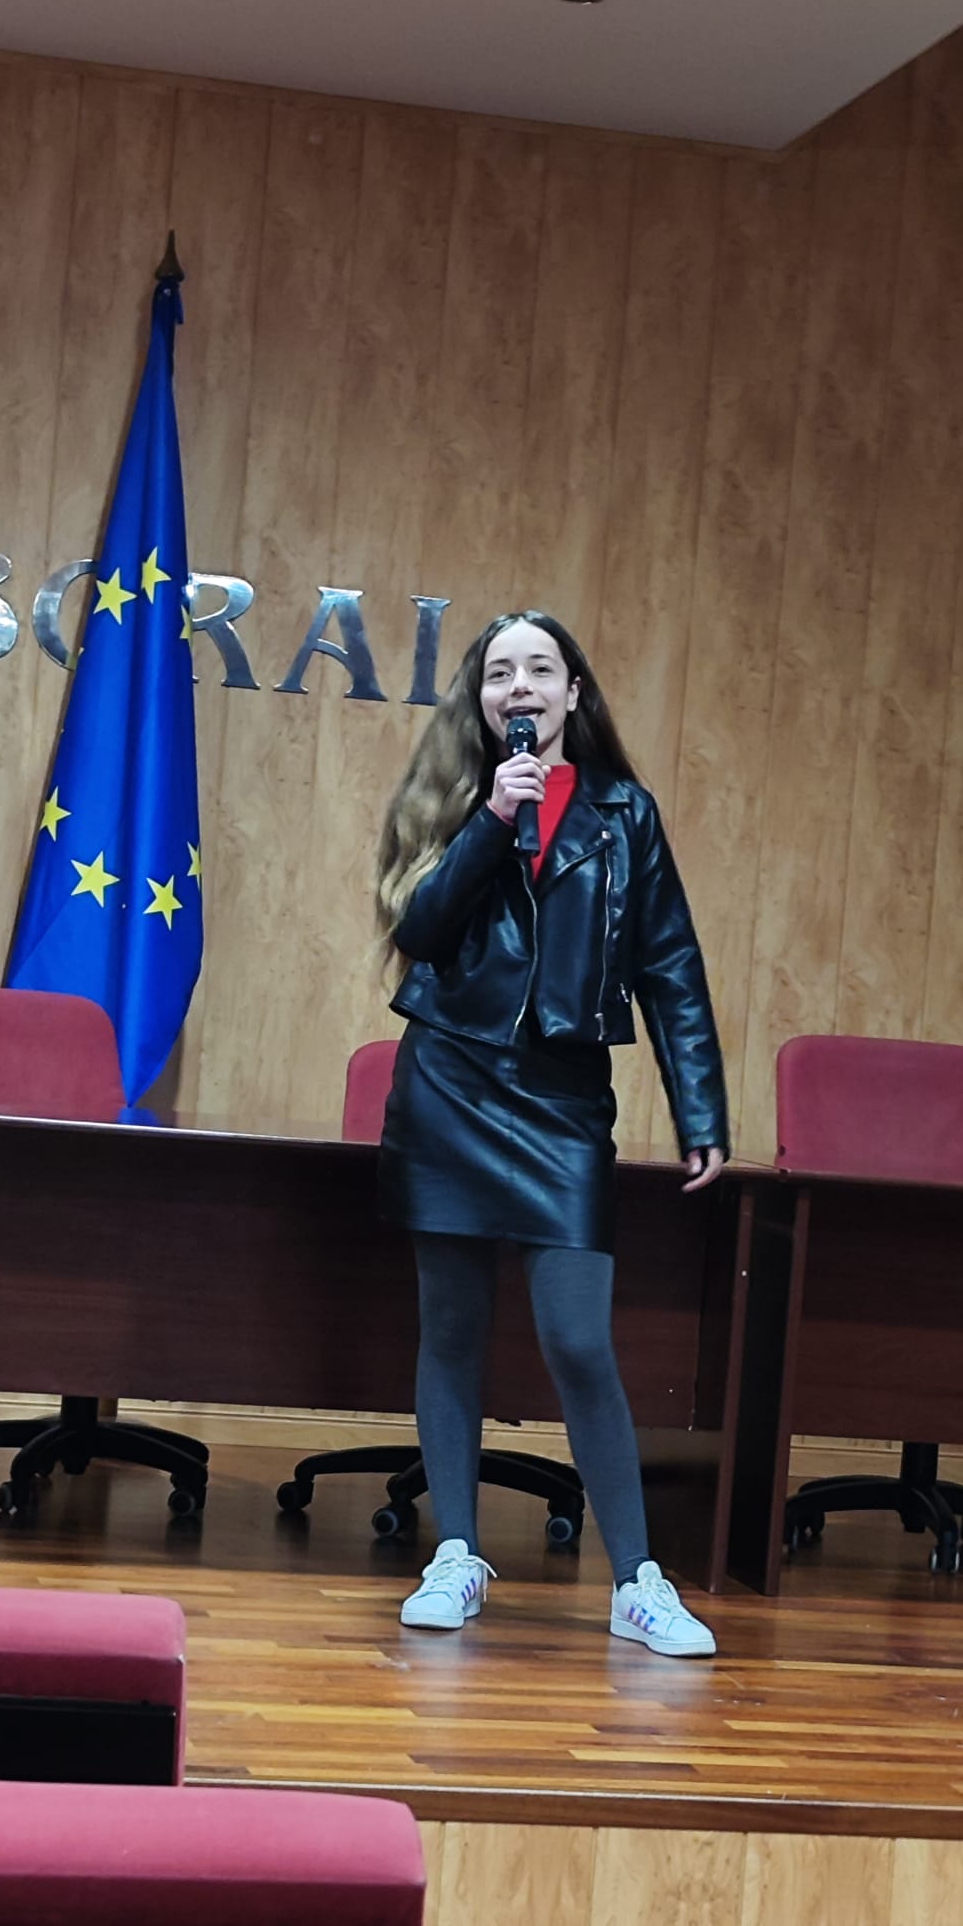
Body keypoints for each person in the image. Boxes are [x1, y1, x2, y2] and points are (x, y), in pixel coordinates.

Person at [374, 610, 728, 1657]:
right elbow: (422, 932)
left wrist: (701, 1108)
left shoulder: (626, 811)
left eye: (540, 669)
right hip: (449, 1082)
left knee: (577, 1336)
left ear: (575, 692)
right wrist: (493, 818)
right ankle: (455, 1554)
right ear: (480, 698)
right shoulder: (449, 797)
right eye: (500, 673)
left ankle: (638, 1583)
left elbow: (671, 964)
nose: (519, 687)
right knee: (453, 1331)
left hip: (565, 1099)